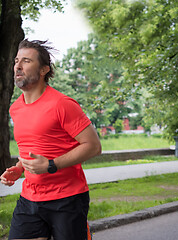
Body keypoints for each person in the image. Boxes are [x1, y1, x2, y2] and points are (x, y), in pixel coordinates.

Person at [0, 39, 102, 240]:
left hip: (67, 199)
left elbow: (93, 146)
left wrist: (51, 165)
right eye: (16, 61)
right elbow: (35, 148)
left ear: (43, 70)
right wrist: (20, 167)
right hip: (29, 198)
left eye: (26, 61)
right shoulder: (16, 108)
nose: (18, 66)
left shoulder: (62, 104)